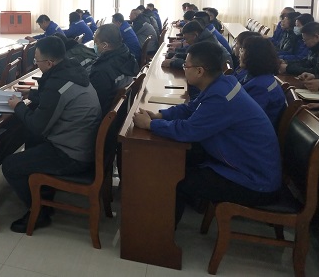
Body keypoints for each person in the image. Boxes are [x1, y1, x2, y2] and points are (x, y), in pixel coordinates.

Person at [133, 41, 281, 226]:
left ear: (199, 71)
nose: (184, 69)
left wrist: (151, 125)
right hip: (241, 162)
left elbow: (189, 130)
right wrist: (160, 115)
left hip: (254, 180)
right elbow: (191, 109)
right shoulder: (223, 82)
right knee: (174, 160)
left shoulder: (221, 96)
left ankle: (159, 236)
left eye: (186, 65)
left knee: (175, 180)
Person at [2, 36, 102, 232]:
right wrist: (31, 94)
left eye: (36, 60)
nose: (35, 64)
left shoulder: (58, 84)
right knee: (31, 139)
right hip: (79, 141)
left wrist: (18, 106)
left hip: (71, 154)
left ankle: (40, 211)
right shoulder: (70, 69)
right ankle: (42, 192)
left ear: (49, 63)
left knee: (10, 165)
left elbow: (37, 125)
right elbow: (56, 97)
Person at [90, 24, 139, 115]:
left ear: (105, 45)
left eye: (96, 42)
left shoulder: (101, 70)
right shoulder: (128, 55)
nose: (94, 45)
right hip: (123, 109)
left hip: (104, 113)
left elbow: (95, 102)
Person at [239, 36, 286, 129]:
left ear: (253, 56)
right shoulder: (256, 76)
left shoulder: (261, 87)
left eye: (242, 51)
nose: (239, 54)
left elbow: (246, 118)